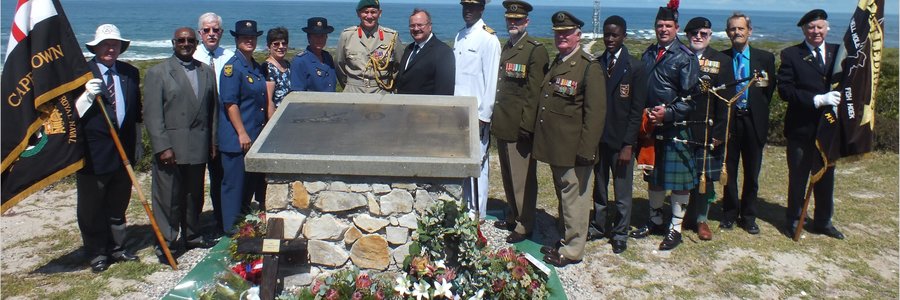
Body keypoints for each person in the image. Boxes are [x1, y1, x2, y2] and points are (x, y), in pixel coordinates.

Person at [534, 11, 606, 267]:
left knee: (575, 200)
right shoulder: (559, 61)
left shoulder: (588, 67)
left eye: (567, 33)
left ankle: (573, 250)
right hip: (558, 147)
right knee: (565, 197)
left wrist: (587, 150)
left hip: (576, 149)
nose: (562, 37)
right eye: (558, 33)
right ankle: (566, 238)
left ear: (578, 35)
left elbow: (595, 114)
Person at [629, 2, 700, 251]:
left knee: (679, 182)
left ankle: (675, 228)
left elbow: (691, 98)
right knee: (654, 175)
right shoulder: (649, 53)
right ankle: (655, 220)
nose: (663, 29)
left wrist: (668, 113)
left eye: (668, 25)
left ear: (676, 28)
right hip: (650, 125)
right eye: (659, 25)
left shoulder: (686, 56)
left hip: (674, 126)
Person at [144, 27, 218, 262]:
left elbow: (213, 111)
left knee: (194, 195)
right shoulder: (158, 72)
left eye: (190, 40)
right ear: (173, 43)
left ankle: (192, 235)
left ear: (196, 43)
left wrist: (212, 141)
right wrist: (162, 146)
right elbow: (152, 115)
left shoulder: (207, 71)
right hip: (171, 148)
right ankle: (167, 243)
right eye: (181, 40)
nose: (186, 44)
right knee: (168, 198)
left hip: (198, 144)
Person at [73, 24, 142, 272]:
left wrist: (138, 143)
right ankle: (96, 252)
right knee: (91, 208)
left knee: (118, 204)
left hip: (124, 152)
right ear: (95, 47)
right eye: (105, 44)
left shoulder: (130, 73)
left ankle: (117, 247)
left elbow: (135, 113)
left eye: (114, 44)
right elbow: (69, 115)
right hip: (93, 153)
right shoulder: (81, 74)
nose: (110, 48)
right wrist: (86, 97)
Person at [777, 9, 844, 240]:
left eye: (820, 27)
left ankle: (824, 222)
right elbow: (785, 90)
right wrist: (817, 100)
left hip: (829, 128)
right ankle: (794, 219)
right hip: (801, 128)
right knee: (798, 177)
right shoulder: (791, 54)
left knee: (826, 176)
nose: (816, 31)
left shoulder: (839, 53)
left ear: (827, 28)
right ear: (804, 30)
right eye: (811, 27)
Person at [491, 0, 548, 244]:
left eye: (518, 19)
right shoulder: (507, 46)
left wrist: (527, 125)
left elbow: (535, 93)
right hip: (503, 123)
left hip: (520, 127)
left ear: (527, 21)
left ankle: (525, 224)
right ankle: (514, 216)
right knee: (508, 176)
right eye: (510, 19)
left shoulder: (535, 50)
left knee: (522, 179)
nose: (513, 23)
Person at [590, 15, 646, 254]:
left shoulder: (635, 67)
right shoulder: (597, 64)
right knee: (599, 188)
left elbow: (636, 111)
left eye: (615, 35)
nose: (610, 39)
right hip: (600, 139)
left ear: (624, 36)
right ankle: (598, 225)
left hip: (622, 141)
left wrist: (628, 144)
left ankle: (620, 233)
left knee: (622, 192)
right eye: (606, 34)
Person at [720, 12, 777, 235]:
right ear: (727, 33)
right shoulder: (722, 58)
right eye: (733, 29)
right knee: (729, 170)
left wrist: (755, 108)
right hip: (730, 122)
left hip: (753, 121)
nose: (737, 32)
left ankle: (749, 216)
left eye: (741, 28)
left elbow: (768, 91)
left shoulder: (765, 58)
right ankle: (729, 214)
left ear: (749, 31)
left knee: (752, 172)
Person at [681, 17, 734, 241]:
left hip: (707, 129)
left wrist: (720, 132)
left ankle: (701, 219)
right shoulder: (679, 56)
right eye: (694, 33)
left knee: (705, 177)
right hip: (681, 126)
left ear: (710, 36)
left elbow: (726, 101)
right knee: (683, 174)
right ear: (687, 35)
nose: (698, 37)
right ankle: (681, 215)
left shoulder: (721, 60)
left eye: (703, 33)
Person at [218, 20, 268, 234]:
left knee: (247, 186)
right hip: (237, 138)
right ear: (237, 39)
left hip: (253, 136)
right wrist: (241, 132)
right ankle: (231, 231)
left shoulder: (254, 66)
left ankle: (244, 228)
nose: (249, 40)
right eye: (245, 37)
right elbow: (230, 103)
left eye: (253, 37)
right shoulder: (232, 68)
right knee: (234, 186)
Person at [453, 0, 501, 219]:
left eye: (472, 7)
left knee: (478, 165)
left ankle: (477, 213)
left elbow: (491, 81)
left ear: (482, 8)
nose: (467, 11)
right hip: (458, 113)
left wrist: (484, 116)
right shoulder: (459, 36)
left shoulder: (489, 39)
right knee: (461, 163)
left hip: (476, 114)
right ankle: (463, 207)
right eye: (465, 6)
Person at [193, 12, 233, 235]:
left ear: (221, 32)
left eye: (215, 30)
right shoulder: (192, 55)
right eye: (207, 30)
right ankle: (192, 225)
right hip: (198, 124)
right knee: (194, 179)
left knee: (220, 174)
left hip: (223, 123)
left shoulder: (229, 56)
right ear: (200, 33)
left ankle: (221, 220)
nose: (211, 34)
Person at [336, 0, 403, 93]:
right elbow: (339, 65)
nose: (369, 16)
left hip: (381, 91)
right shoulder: (347, 36)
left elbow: (399, 66)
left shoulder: (391, 37)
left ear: (379, 13)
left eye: (373, 12)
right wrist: (350, 85)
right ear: (358, 13)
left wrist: (390, 86)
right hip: (353, 91)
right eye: (365, 12)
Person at [394, 8, 455, 95]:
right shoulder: (409, 49)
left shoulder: (443, 52)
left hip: (425, 103)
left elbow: (444, 91)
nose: (416, 29)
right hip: (403, 102)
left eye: (420, 25)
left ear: (430, 26)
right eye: (412, 26)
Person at [291, 17, 337, 92]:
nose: (319, 39)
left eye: (322, 36)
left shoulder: (328, 57)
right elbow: (297, 92)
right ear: (308, 38)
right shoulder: (300, 61)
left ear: (326, 37)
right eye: (316, 36)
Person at [264, 26, 291, 118]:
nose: (281, 47)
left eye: (284, 43)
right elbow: (269, 101)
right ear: (268, 46)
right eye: (276, 44)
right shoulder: (267, 68)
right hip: (277, 117)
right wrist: (272, 122)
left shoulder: (288, 65)